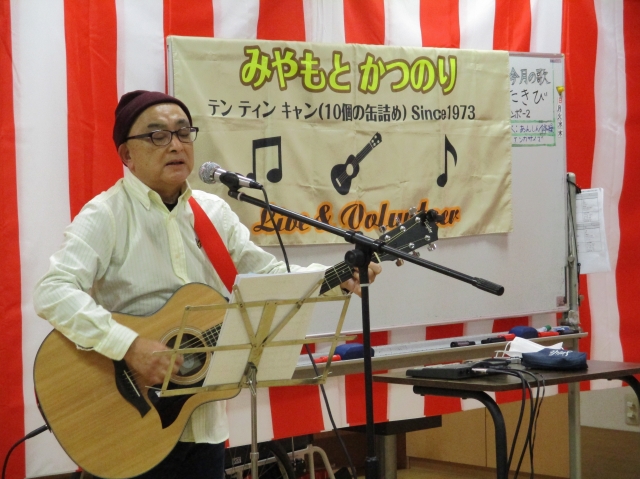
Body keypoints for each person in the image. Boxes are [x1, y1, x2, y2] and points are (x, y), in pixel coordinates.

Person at [33, 90, 382, 479]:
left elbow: (268, 277)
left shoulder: (213, 212)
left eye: (183, 132)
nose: (175, 144)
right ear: (127, 155)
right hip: (127, 430)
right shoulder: (106, 215)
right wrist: (129, 346)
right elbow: (53, 290)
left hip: (204, 426)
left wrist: (338, 277)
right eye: (157, 135)